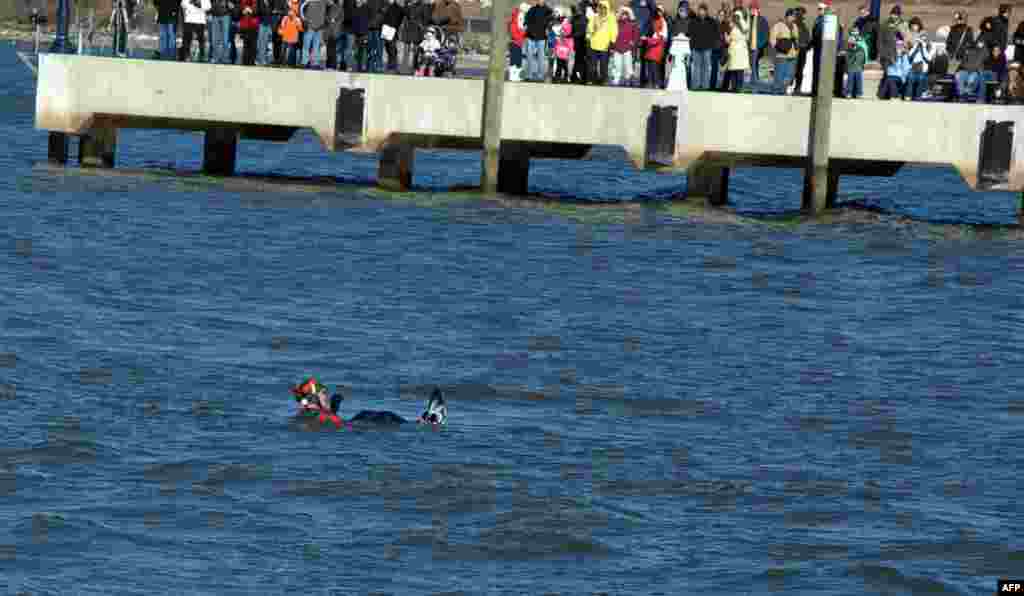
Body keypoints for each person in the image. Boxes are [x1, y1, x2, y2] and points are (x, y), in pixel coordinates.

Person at [587, 0, 617, 85]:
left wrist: (612, 41)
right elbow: (589, 28)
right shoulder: (594, 17)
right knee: (592, 64)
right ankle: (592, 79)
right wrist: (589, 37)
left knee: (604, 65)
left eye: (604, 7)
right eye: (600, 7)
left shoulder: (611, 18)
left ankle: (603, 80)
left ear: (607, 8)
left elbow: (614, 30)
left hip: (605, 45)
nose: (602, 9)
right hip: (593, 44)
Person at [770, 8, 798, 95]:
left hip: (792, 55)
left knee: (789, 77)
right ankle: (776, 93)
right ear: (787, 16)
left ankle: (783, 92)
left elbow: (796, 39)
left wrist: (797, 51)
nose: (794, 18)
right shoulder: (778, 25)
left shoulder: (795, 26)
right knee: (779, 76)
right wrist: (778, 48)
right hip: (781, 55)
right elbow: (772, 38)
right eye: (792, 16)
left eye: (794, 16)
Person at [524, 0, 554, 82]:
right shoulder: (532, 9)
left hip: (541, 37)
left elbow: (552, 19)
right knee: (529, 56)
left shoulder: (548, 10)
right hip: (530, 36)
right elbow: (526, 19)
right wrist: (526, 26)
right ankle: (528, 75)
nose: (540, 1)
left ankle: (540, 76)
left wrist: (548, 28)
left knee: (541, 57)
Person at [688, 3, 716, 90]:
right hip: (696, 47)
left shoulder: (711, 21)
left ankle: (705, 86)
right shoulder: (693, 21)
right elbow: (690, 34)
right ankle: (695, 86)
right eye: (700, 10)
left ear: (706, 11)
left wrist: (712, 44)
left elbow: (715, 34)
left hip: (707, 48)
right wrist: (691, 46)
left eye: (703, 10)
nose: (702, 12)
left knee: (706, 67)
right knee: (696, 67)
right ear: (698, 11)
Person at [639, 4, 665, 88]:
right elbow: (649, 33)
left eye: (660, 11)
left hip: (656, 49)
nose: (658, 13)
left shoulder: (662, 22)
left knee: (654, 67)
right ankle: (650, 82)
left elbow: (659, 39)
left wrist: (646, 39)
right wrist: (646, 38)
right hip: (650, 49)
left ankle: (656, 83)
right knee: (649, 66)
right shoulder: (652, 21)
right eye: (657, 11)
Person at [610, 6, 638, 86]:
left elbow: (635, 35)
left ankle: (628, 79)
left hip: (627, 48)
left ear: (628, 15)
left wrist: (632, 43)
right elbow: (612, 34)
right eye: (622, 14)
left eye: (626, 14)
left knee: (628, 65)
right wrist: (612, 46)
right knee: (617, 65)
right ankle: (616, 79)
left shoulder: (632, 24)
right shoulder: (616, 23)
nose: (624, 16)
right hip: (617, 47)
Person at [721, 8, 747, 92]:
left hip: (738, 50)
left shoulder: (739, 25)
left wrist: (727, 36)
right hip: (736, 50)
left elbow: (730, 38)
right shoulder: (736, 25)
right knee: (735, 70)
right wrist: (726, 35)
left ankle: (737, 87)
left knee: (737, 70)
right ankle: (736, 87)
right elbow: (729, 39)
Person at [380, 0, 405, 71]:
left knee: (392, 48)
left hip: (393, 29)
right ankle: (391, 65)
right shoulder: (389, 6)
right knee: (388, 47)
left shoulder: (400, 8)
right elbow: (384, 15)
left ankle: (393, 65)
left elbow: (403, 18)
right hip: (387, 29)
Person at [747, 0, 767, 86]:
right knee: (752, 64)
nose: (752, 11)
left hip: (756, 46)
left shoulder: (762, 20)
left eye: (754, 9)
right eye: (751, 9)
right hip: (748, 45)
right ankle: (753, 80)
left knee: (754, 64)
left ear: (758, 10)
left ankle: (754, 82)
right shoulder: (748, 19)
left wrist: (760, 45)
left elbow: (765, 33)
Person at [277, 0, 303, 65]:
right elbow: (281, 27)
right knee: (284, 50)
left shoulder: (297, 19)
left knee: (292, 51)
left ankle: (291, 63)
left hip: (293, 38)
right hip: (286, 37)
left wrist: (298, 25)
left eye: (292, 12)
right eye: (290, 11)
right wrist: (281, 31)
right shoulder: (285, 18)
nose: (291, 13)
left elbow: (300, 29)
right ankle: (283, 62)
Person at [844, 29, 867, 98]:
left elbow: (863, 57)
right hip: (851, 67)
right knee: (850, 81)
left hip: (858, 67)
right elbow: (847, 59)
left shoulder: (861, 49)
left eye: (853, 41)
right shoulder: (848, 50)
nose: (852, 43)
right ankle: (849, 93)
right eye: (851, 42)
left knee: (858, 81)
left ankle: (858, 93)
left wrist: (863, 65)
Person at [552, 8, 573, 82]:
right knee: (559, 66)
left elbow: (570, 46)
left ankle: (566, 77)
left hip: (565, 54)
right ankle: (557, 77)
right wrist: (554, 52)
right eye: (562, 31)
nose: (563, 32)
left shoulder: (569, 39)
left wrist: (569, 52)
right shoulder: (559, 38)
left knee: (565, 66)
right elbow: (556, 45)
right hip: (559, 53)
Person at [238, 0, 259, 64]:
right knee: (246, 44)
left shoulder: (255, 1)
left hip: (253, 24)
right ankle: (245, 61)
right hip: (244, 25)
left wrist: (251, 10)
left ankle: (252, 61)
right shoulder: (242, 1)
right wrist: (242, 11)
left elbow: (258, 11)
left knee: (253, 44)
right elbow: (239, 11)